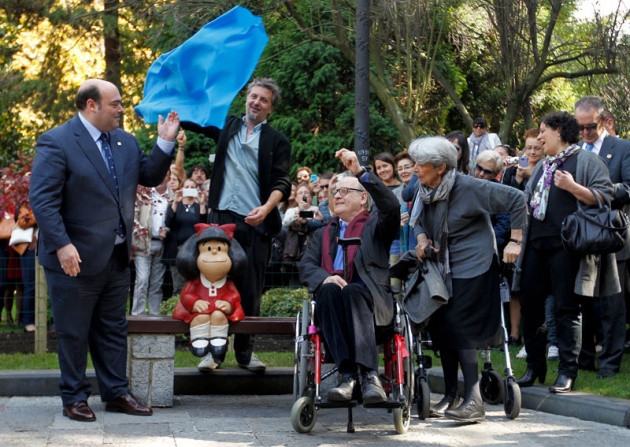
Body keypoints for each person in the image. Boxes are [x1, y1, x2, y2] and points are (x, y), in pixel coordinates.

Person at [29, 78, 179, 422]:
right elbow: (43, 200)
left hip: (114, 256)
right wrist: (62, 244)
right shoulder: (57, 141)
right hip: (73, 259)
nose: (122, 109)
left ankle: (116, 393)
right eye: (115, 103)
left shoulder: (124, 141)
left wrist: (165, 141)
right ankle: (74, 397)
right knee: (73, 331)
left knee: (112, 328)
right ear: (91, 105)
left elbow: (149, 174)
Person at [410, 136, 526, 423]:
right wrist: (422, 239)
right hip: (443, 265)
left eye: (420, 163)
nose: (414, 168)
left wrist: (515, 240)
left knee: (461, 326)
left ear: (440, 167)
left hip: (474, 264)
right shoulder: (424, 189)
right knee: (442, 325)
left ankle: (474, 399)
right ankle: (451, 395)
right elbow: (419, 220)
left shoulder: (469, 186)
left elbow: (516, 198)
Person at [181, 78, 291, 372]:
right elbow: (197, 120)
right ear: (246, 98)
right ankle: (213, 354)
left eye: (263, 100)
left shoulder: (277, 141)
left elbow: (282, 181)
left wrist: (267, 209)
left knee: (249, 289)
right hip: (221, 222)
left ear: (270, 109)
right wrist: (174, 104)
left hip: (254, 221)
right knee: (212, 285)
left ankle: (245, 353)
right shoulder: (228, 126)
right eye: (253, 97)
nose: (256, 102)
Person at [514, 111, 616, 394]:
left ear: (558, 132)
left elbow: (605, 198)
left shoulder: (586, 160)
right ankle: (535, 367)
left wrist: (572, 187)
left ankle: (567, 373)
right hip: (536, 245)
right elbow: (529, 201)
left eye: (543, 131)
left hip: (566, 247)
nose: (539, 136)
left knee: (566, 308)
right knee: (531, 307)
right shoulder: (544, 166)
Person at [298, 148, 400, 404]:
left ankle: (368, 375)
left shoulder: (377, 226)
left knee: (353, 290)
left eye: (346, 191)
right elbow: (306, 265)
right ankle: (347, 376)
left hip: (372, 305)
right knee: (331, 290)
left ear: (364, 199)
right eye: (336, 192)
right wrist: (324, 278)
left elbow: (391, 206)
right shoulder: (323, 233)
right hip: (333, 307)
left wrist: (359, 171)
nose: (338, 195)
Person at [574, 96, 630, 378]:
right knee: (584, 303)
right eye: (580, 127)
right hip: (581, 237)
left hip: (612, 236)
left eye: (590, 126)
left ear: (605, 121)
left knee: (612, 305)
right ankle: (584, 359)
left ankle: (609, 362)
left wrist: (600, 190)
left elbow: (629, 187)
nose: (585, 132)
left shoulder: (623, 148)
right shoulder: (574, 152)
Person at [130, 174, 170, 316]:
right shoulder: (143, 192)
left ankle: (155, 316)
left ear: (169, 178)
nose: (161, 178)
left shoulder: (172, 196)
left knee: (157, 283)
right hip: (143, 243)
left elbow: (176, 219)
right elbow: (133, 217)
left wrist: (168, 231)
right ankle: (138, 315)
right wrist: (141, 232)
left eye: (165, 175)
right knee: (141, 280)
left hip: (163, 244)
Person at [163, 178, 208, 296]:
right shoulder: (175, 205)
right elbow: (168, 223)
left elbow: (204, 227)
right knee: (178, 286)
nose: (189, 190)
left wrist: (202, 204)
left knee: (195, 284)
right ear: (181, 189)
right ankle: (178, 311)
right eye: (186, 187)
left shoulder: (199, 207)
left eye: (192, 187)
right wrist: (176, 202)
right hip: (177, 250)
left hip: (195, 251)